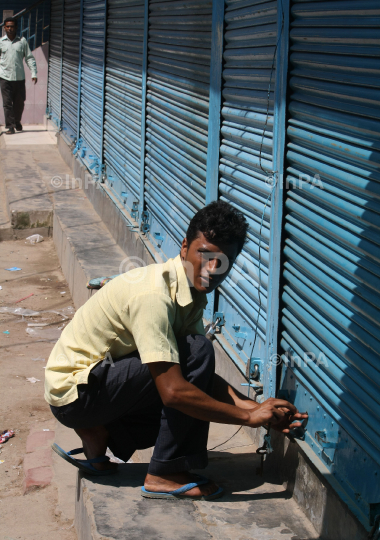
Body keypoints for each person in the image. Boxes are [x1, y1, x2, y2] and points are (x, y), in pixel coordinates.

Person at [45, 201, 307, 500]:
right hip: (77, 394)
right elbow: (173, 390)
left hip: (89, 389)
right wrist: (247, 418)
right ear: (184, 247)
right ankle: (165, 474)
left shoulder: (189, 292)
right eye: (204, 255)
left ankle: (99, 431)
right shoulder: (154, 295)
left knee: (195, 366)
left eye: (223, 261)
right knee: (194, 361)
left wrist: (258, 408)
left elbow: (198, 375)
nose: (212, 269)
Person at [0, 17, 37, 135]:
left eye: (12, 26)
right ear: (4, 28)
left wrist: (34, 72)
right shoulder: (1, 42)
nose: (10, 29)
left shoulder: (22, 41)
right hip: (4, 77)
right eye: (7, 26)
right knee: (7, 103)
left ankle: (17, 121)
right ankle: (10, 126)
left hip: (19, 78)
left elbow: (29, 57)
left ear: (16, 27)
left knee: (19, 103)